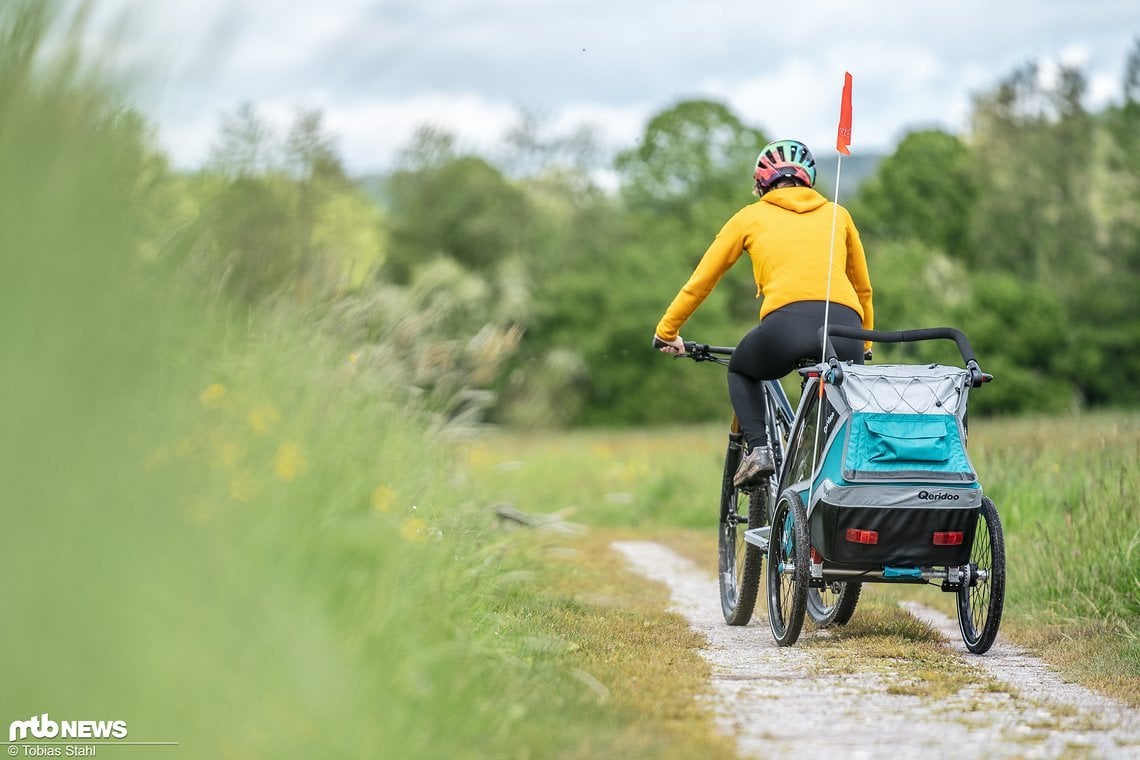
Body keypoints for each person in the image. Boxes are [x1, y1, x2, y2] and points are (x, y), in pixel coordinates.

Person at [654, 138, 874, 487]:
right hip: (848, 332)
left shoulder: (750, 216)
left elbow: (702, 281)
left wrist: (667, 332)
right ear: (808, 181)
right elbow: (862, 288)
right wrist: (863, 346)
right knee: (837, 437)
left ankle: (760, 451)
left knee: (742, 369)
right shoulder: (838, 214)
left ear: (761, 185)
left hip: (786, 327)